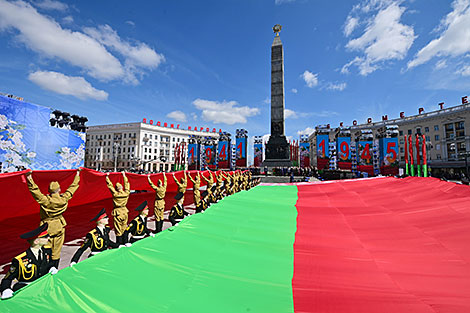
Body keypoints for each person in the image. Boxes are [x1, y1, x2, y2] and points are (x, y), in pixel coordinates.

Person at [25, 169, 81, 268]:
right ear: (59, 189)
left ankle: (45, 268)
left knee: (45, 247)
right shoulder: (64, 199)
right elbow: (72, 188)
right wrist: (77, 174)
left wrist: (29, 178)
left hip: (47, 227)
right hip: (59, 225)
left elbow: (35, 192)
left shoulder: (46, 200)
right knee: (57, 249)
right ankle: (54, 267)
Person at [1, 223, 57, 299]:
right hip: (26, 291)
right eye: (45, 237)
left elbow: (49, 264)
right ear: (36, 241)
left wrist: (52, 267)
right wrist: (6, 289)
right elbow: (7, 278)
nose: (49, 237)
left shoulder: (47, 252)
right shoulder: (20, 259)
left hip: (43, 288)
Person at [106, 171, 130, 245]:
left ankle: (119, 243)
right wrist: (124, 176)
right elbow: (127, 185)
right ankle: (125, 241)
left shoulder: (115, 194)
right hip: (124, 211)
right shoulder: (126, 193)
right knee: (124, 227)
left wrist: (107, 177)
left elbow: (110, 186)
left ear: (116, 188)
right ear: (122, 187)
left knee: (118, 229)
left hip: (117, 212)